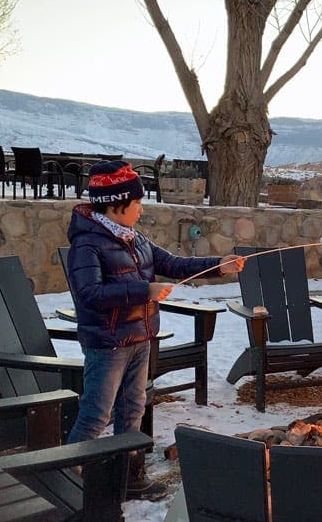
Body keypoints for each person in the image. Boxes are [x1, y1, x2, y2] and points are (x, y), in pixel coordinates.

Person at [66, 160, 242, 500]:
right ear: (117, 205)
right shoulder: (86, 245)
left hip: (140, 339)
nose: (141, 209)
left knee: (133, 409)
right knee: (96, 414)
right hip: (108, 344)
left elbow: (175, 264)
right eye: (137, 203)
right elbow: (88, 294)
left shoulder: (136, 239)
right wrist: (142, 291)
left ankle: (129, 478)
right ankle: (64, 483)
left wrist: (218, 265)